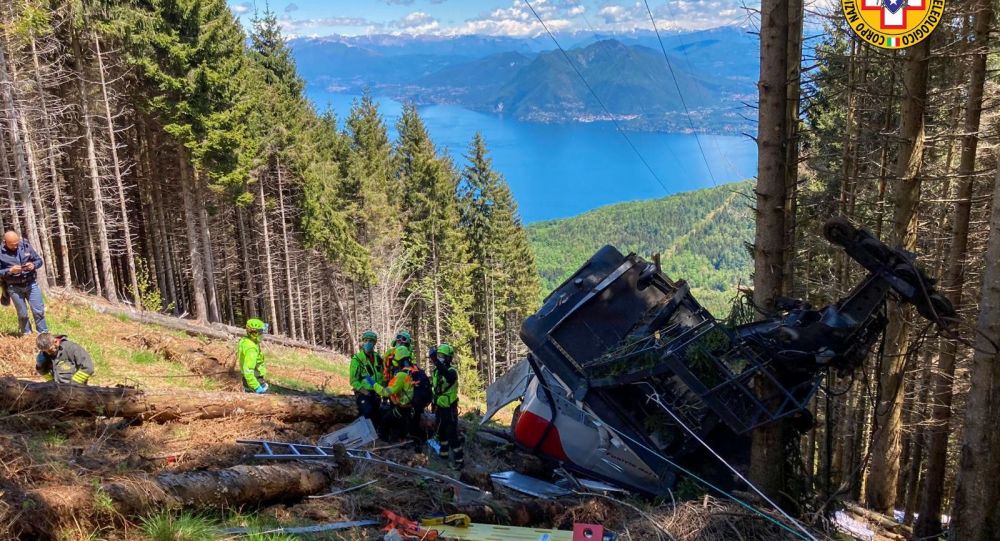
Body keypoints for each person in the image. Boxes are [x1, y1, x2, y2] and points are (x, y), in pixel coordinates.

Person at [0, 231, 48, 335]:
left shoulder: (26, 246)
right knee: (23, 314)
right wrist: (10, 271)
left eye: (17, 243)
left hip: (31, 284)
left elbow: (39, 261)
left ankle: (43, 335)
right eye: (12, 245)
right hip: (14, 287)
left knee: (38, 311)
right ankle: (27, 336)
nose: (15, 246)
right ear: (5, 242)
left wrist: (33, 265)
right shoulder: (0, 253)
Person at [431, 343, 464, 469]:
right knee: (441, 433)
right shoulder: (436, 372)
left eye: (442, 356)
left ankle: (459, 461)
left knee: (452, 435)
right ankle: (443, 455)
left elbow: (448, 377)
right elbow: (436, 389)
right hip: (440, 407)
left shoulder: (451, 371)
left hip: (449, 409)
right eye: (438, 355)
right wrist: (433, 403)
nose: (440, 358)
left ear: (449, 358)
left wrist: (435, 361)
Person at [377, 344, 417, 443]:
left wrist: (373, 384)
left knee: (385, 421)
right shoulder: (414, 371)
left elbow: (386, 392)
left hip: (402, 408)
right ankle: (402, 439)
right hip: (411, 408)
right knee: (401, 425)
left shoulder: (401, 375)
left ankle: (383, 442)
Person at [350, 330, 385, 423]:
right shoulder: (357, 359)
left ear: (374, 343)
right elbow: (353, 380)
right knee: (367, 413)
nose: (368, 343)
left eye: (371, 341)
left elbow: (382, 375)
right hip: (364, 394)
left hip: (377, 394)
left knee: (376, 417)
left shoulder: (378, 358)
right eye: (366, 340)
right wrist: (365, 392)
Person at [239, 318, 269, 393]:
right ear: (254, 333)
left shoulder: (247, 341)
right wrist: (257, 387)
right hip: (254, 380)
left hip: (251, 379)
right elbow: (248, 370)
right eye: (261, 332)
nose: (263, 335)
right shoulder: (251, 349)